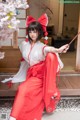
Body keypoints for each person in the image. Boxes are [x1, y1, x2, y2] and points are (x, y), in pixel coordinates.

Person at [2, 13, 69, 120]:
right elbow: (23, 52)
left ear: (39, 33)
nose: (32, 34)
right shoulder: (24, 45)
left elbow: (49, 49)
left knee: (23, 88)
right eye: (30, 31)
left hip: (41, 76)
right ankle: (18, 114)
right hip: (32, 74)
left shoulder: (42, 47)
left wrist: (58, 50)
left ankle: (14, 116)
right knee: (24, 89)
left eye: (35, 31)